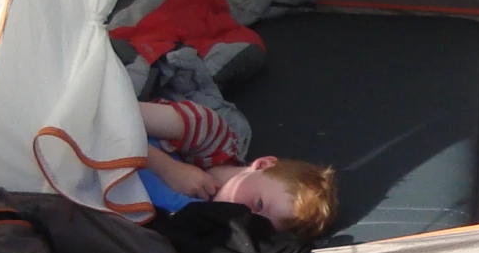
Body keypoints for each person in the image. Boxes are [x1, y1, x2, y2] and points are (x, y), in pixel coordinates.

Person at [137, 99, 337, 237]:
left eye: (258, 224)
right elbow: (114, 113)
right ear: (263, 164)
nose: (245, 215)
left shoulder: (207, 225)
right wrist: (166, 167)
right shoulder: (209, 133)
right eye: (258, 204)